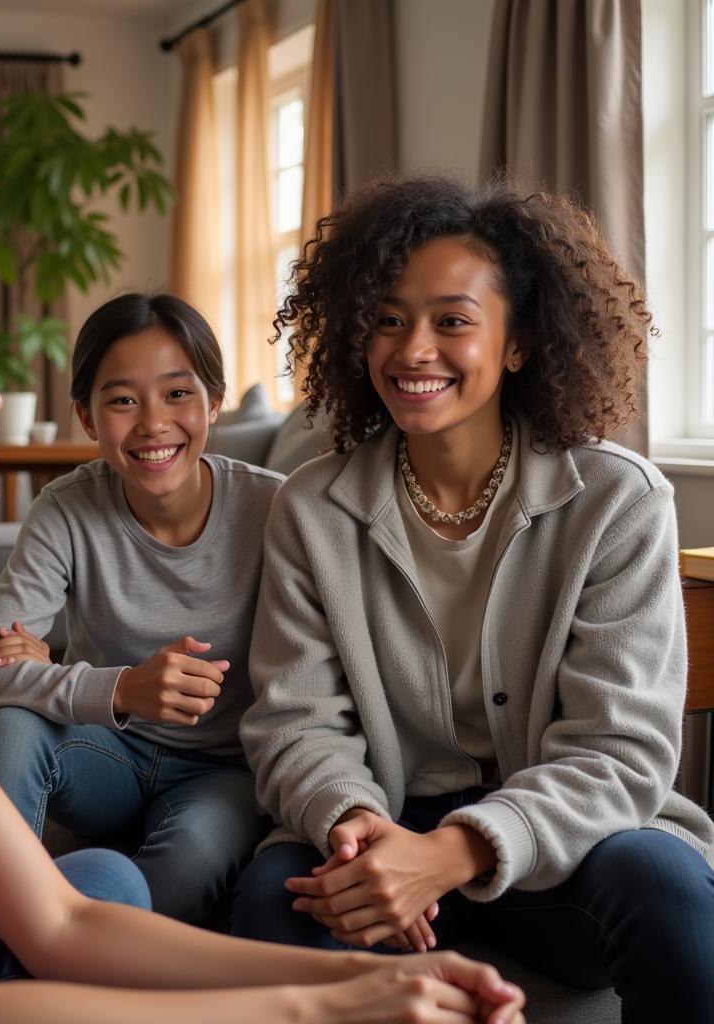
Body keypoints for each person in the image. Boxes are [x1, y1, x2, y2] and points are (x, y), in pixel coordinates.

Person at [0, 239, 527, 1024]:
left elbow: (58, 922)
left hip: (210, 778)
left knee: (99, 883)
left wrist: (368, 975)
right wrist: (319, 1010)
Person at [231, 176, 714, 1020]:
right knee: (278, 900)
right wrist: (352, 822)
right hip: (376, 836)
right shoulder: (309, 506)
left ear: (518, 342)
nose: (413, 349)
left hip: (558, 852)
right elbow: (295, 721)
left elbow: (621, 751)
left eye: (452, 321)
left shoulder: (618, 499)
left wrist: (456, 851)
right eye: (388, 319)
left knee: (663, 880)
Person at [0, 293, 276, 925]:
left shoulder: (275, 510)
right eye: (123, 400)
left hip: (224, 773)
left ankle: (57, 945)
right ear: (87, 416)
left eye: (179, 394)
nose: (153, 423)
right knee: (16, 726)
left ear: (214, 401)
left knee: (182, 871)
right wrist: (122, 689)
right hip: (105, 756)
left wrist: (47, 671)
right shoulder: (67, 509)